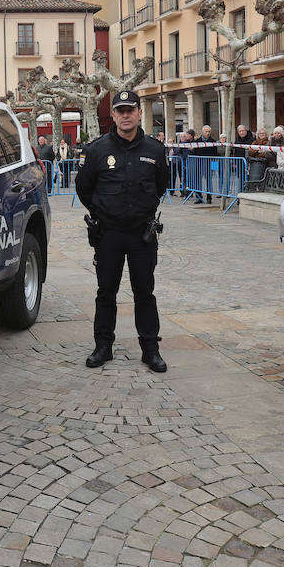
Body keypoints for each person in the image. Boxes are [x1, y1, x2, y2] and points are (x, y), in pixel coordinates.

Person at [75, 90, 169, 373]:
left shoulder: (154, 149)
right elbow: (84, 189)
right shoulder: (96, 150)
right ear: (113, 115)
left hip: (142, 233)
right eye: (120, 111)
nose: (126, 115)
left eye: (131, 110)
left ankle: (150, 349)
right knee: (106, 292)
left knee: (145, 292)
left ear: (140, 113)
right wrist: (103, 212)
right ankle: (103, 347)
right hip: (109, 234)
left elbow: (162, 185)